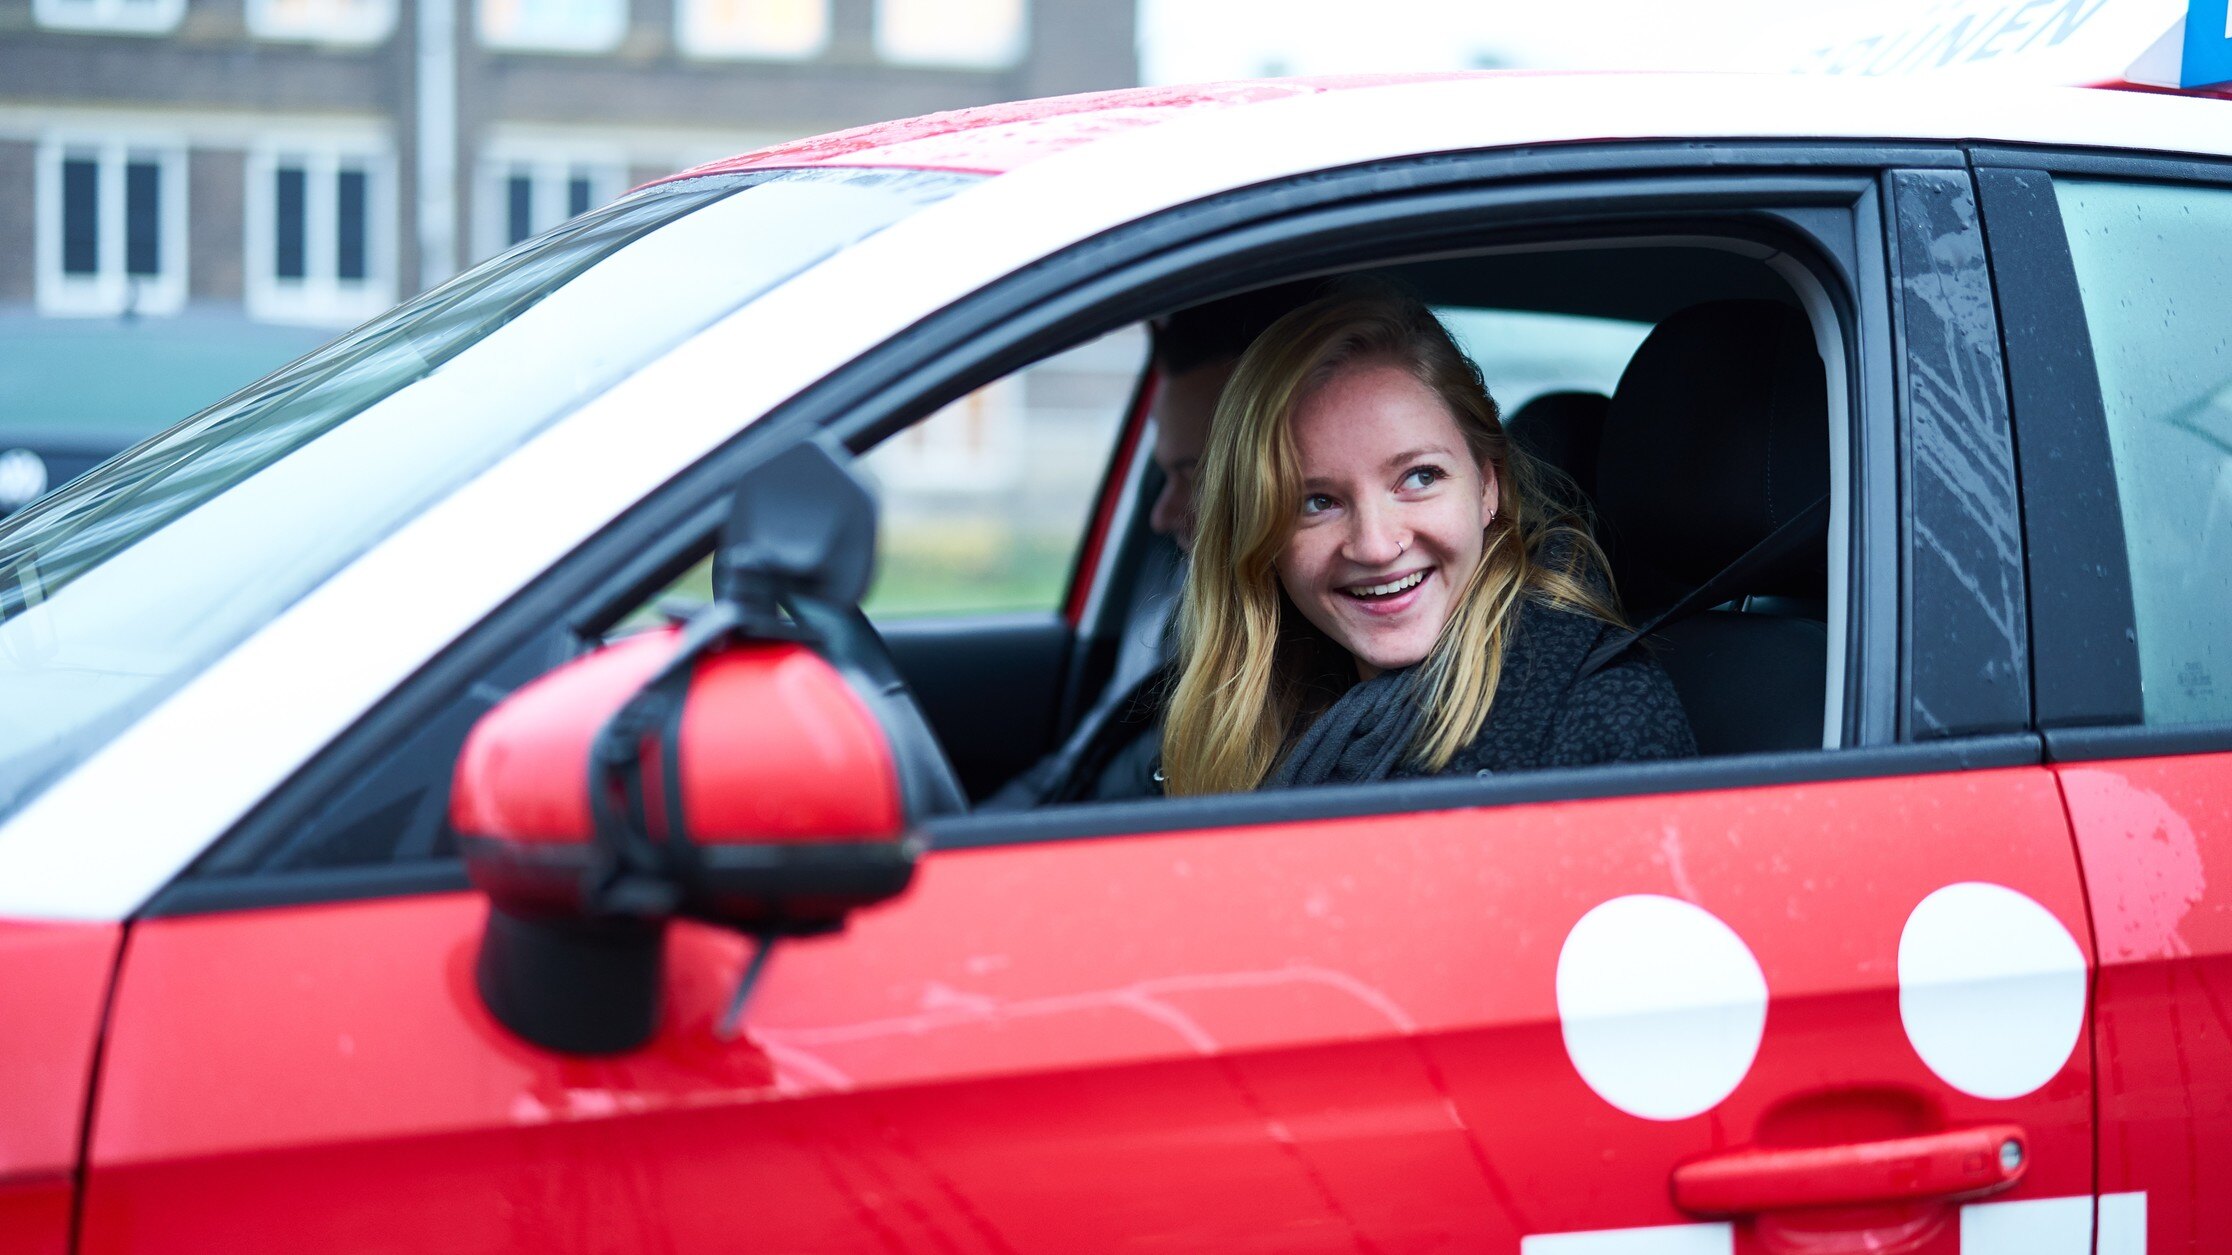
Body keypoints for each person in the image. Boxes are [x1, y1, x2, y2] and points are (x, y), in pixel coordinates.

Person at [1160, 286, 1695, 796]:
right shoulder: (1279, 704)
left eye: (1419, 477)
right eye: (1316, 502)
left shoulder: (1601, 716)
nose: (1374, 546)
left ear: (1489, 485)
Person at [983, 280, 1323, 807]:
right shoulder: (1175, 607)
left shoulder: (1314, 696)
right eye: (1164, 474)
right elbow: (1067, 772)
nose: (1161, 516)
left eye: (1197, 478)